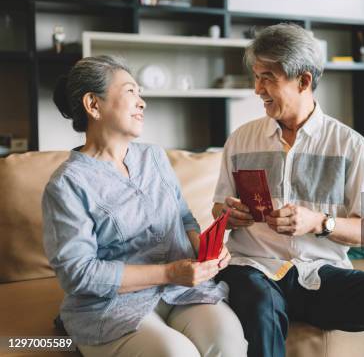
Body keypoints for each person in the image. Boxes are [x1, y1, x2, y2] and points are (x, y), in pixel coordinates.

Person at [212, 24, 364, 357]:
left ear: (303, 80)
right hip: (254, 269)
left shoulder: (351, 145)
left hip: (319, 275)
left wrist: (319, 223)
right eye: (256, 77)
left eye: (268, 77)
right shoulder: (240, 140)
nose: (258, 89)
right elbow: (218, 211)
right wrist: (229, 215)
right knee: (260, 305)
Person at [42, 55, 247, 357]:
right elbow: (79, 274)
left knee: (228, 338)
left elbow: (183, 219)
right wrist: (169, 273)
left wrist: (206, 250)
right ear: (93, 104)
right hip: (110, 305)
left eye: (140, 92)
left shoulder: (154, 157)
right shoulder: (68, 184)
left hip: (181, 292)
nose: (142, 102)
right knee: (175, 354)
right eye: (130, 91)